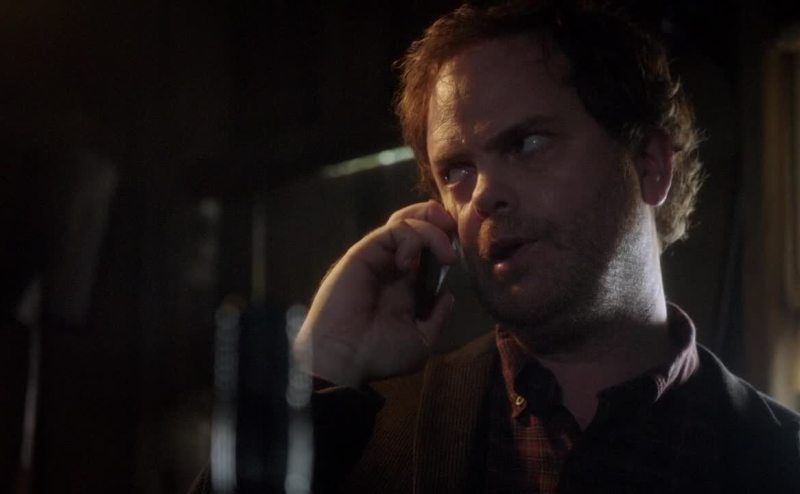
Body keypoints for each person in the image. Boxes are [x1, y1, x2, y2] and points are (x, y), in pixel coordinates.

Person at [190, 1, 800, 493]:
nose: (483, 194)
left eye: (528, 143)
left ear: (649, 164)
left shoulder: (778, 458)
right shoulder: (367, 437)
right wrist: (321, 368)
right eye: (456, 170)